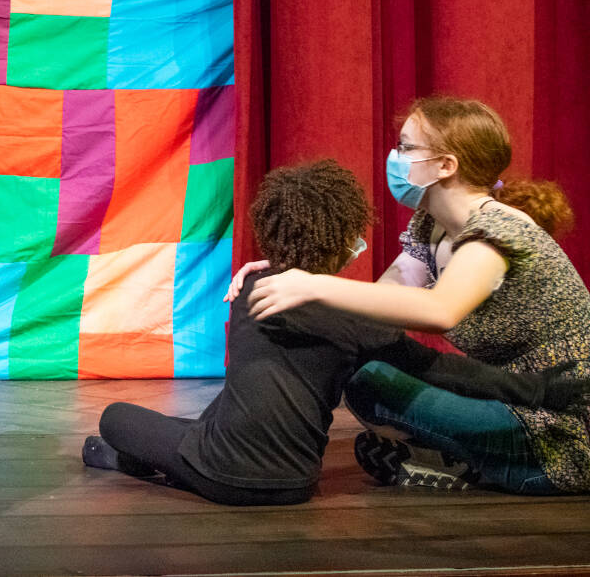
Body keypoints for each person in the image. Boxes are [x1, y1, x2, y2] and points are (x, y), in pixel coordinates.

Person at [82, 159, 587, 505]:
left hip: (226, 475)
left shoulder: (252, 289)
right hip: (297, 481)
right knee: (207, 422)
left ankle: (141, 461)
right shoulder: (355, 322)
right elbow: (445, 371)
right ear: (343, 236)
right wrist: (540, 390)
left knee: (114, 418)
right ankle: (158, 458)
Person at [237, 97, 590, 494]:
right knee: (367, 364)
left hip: (560, 425)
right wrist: (281, 271)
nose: (395, 157)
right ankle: (460, 459)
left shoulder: (497, 233)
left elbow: (441, 311)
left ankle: (474, 467)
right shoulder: (433, 227)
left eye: (406, 148)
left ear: (446, 165)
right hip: (509, 398)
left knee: (371, 382)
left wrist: (313, 284)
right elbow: (374, 306)